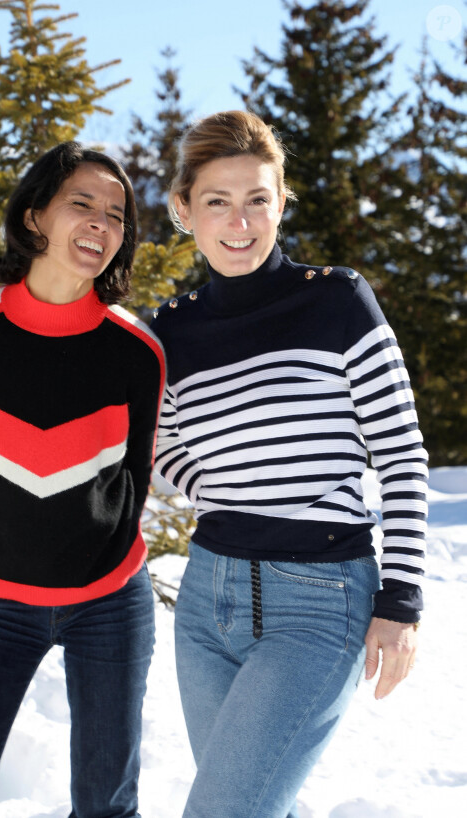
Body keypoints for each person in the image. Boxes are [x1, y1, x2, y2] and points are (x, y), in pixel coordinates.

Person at [151, 111, 427, 818]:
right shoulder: (173, 328)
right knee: (258, 803)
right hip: (207, 598)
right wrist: (232, 482)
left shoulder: (336, 300)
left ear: (280, 203)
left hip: (320, 600)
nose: (239, 221)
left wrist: (400, 602)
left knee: (224, 809)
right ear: (185, 209)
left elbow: (401, 453)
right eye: (218, 200)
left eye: (258, 200)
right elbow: (160, 451)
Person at [0, 142, 165, 818]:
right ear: (34, 218)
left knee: (106, 803)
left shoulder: (137, 352)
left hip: (110, 601)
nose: (101, 223)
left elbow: (134, 477)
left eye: (116, 214)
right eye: (81, 203)